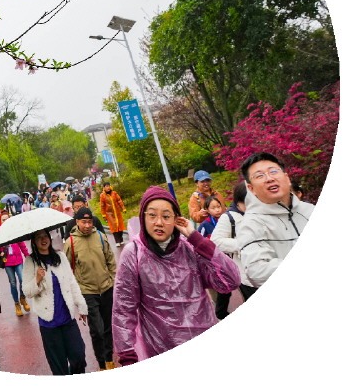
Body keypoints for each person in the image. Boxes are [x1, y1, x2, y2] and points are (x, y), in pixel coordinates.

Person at [112, 186, 240, 364]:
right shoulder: (133, 253)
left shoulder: (189, 247)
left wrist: (197, 239)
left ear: (176, 219)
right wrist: (127, 355)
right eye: (152, 215)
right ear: (143, 218)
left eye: (166, 216)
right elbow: (124, 309)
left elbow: (230, 280)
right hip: (162, 347)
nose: (159, 222)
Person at [237, 152, 315, 288]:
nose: (269, 178)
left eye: (273, 171)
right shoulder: (250, 224)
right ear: (251, 188)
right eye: (259, 176)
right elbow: (257, 272)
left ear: (287, 178)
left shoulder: (310, 210)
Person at [22, 228, 89, 375]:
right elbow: (27, 291)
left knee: (78, 357)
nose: (43, 239)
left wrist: (82, 306)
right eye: (39, 237)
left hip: (67, 319)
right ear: (34, 242)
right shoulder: (30, 262)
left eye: (45, 236)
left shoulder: (60, 256)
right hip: (49, 323)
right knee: (59, 367)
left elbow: (72, 282)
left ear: (49, 237)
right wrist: (37, 280)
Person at [64, 207, 117, 371]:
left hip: (106, 288)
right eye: (83, 222)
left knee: (108, 327)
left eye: (89, 222)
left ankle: (109, 359)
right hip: (87, 292)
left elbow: (110, 260)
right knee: (97, 330)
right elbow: (67, 272)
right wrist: (77, 299)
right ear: (77, 222)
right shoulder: (70, 243)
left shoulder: (100, 236)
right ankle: (101, 363)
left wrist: (113, 280)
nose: (87, 225)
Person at [210, 181, 257, 317]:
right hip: (245, 272)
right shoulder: (229, 217)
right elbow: (216, 241)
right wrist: (242, 245)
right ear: (239, 201)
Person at [0, 211, 31, 317]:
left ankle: (23, 298)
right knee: (13, 283)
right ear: (0, 221)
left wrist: (27, 256)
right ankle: (17, 304)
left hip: (18, 260)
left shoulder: (15, 231)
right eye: (3, 219)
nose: (5, 221)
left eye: (7, 219)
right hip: (7, 262)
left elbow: (22, 245)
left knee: (22, 280)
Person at [99, 182, 126, 246]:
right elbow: (102, 206)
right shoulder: (102, 196)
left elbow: (119, 200)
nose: (108, 187)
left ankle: (121, 239)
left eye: (108, 186)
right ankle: (117, 241)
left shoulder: (114, 193)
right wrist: (103, 215)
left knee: (120, 226)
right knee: (114, 228)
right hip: (110, 214)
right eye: (106, 186)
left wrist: (123, 208)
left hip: (117, 213)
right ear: (104, 188)